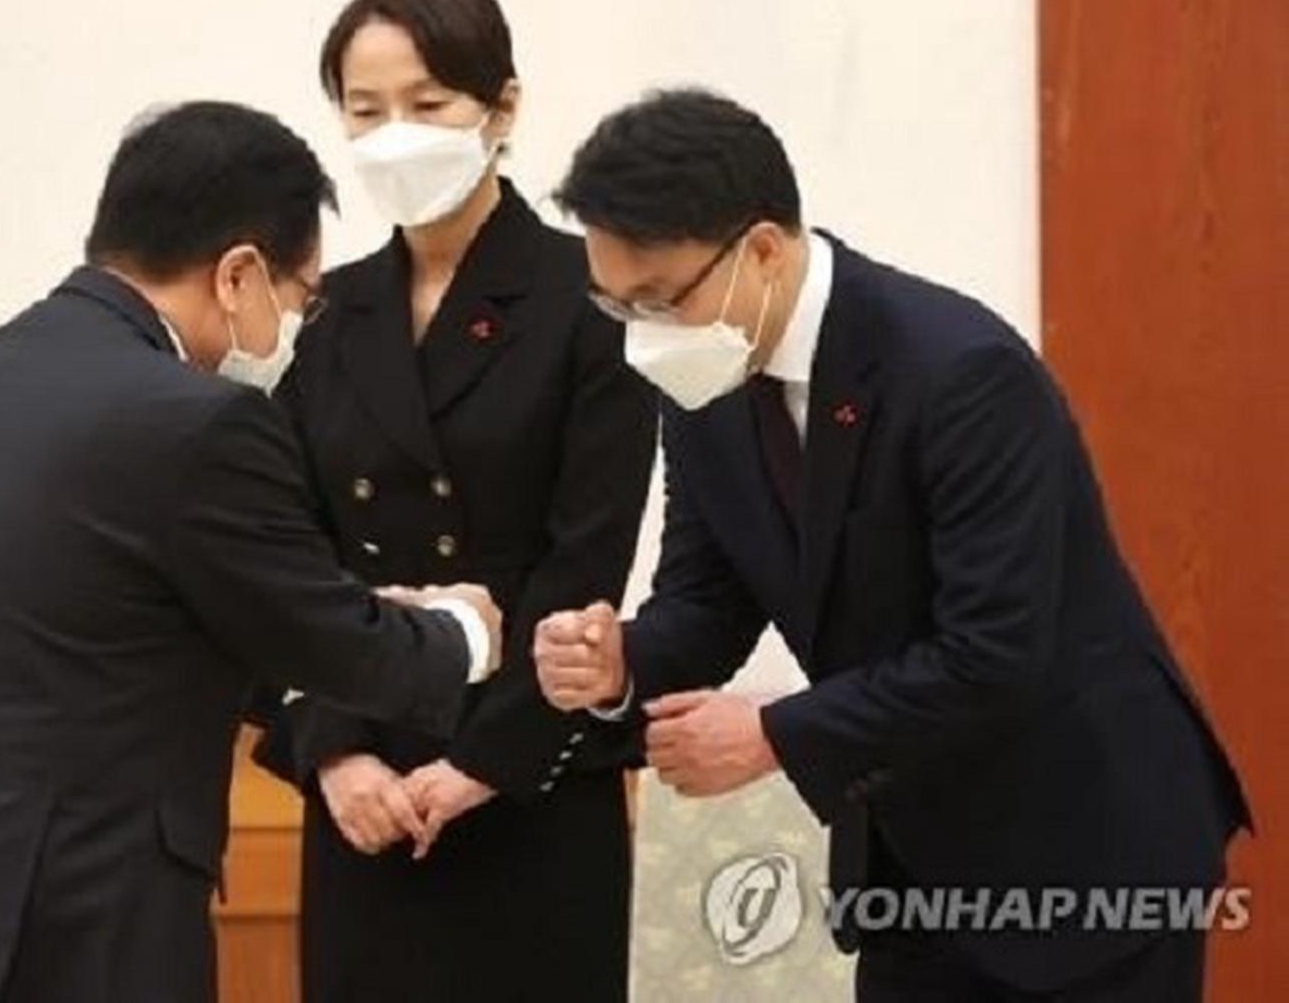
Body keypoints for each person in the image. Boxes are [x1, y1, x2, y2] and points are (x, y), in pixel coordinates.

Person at [0, 100, 505, 1003]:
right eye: (301, 297)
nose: (295, 327)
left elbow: (116, 619)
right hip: (58, 930)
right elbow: (331, 643)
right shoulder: (199, 422)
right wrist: (463, 628)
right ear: (239, 275)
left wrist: (344, 617)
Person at [533, 88, 1250, 1002]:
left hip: (1083, 836)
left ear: (761, 250)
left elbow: (994, 651)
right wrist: (620, 662)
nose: (646, 334)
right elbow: (707, 600)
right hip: (914, 856)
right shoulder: (705, 385)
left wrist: (773, 734)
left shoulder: (958, 370)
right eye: (618, 305)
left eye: (660, 299)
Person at [251, 0, 656, 1003]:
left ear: (501, 108)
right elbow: (283, 557)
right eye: (365, 110)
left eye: (427, 104)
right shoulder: (325, 313)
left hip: (531, 774)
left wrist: (484, 761)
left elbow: (586, 556)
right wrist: (334, 754)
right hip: (365, 790)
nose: (395, 135)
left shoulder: (589, 297)